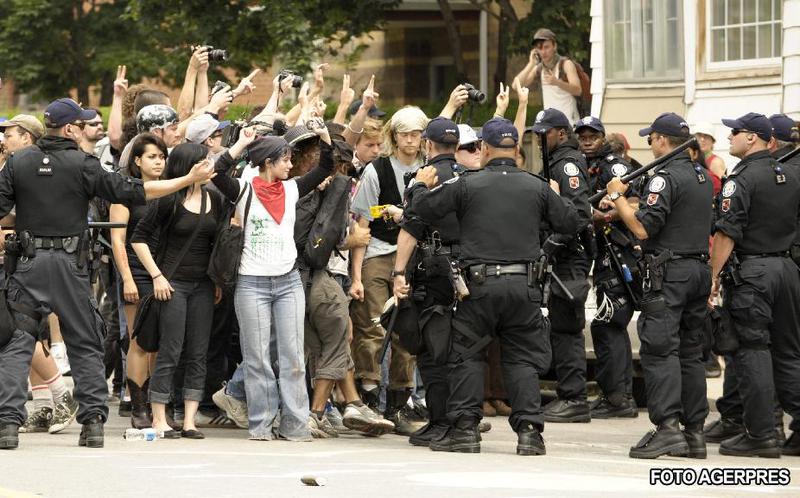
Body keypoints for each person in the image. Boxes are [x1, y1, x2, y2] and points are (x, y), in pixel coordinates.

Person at [0, 98, 215, 450]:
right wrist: (188, 179)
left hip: (29, 263)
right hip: (70, 264)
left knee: (17, 343)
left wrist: (26, 218)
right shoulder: (83, 164)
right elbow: (134, 190)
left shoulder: (19, 162)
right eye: (81, 124)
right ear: (69, 129)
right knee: (84, 341)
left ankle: (7, 425)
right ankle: (93, 425)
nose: (86, 129)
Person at [408, 117, 580, 455]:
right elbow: (571, 222)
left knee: (468, 355)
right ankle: (530, 433)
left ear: (484, 148)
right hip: (523, 285)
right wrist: (557, 197)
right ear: (516, 149)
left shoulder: (467, 184)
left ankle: (466, 431)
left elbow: (422, 210)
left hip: (479, 286)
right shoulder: (536, 185)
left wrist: (418, 184)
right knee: (522, 360)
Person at [209, 120, 333, 441]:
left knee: (293, 358)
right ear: (268, 162)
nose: (291, 165)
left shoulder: (291, 189)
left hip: (288, 282)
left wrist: (325, 139)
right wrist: (239, 145)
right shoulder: (243, 188)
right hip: (252, 284)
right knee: (257, 358)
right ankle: (261, 425)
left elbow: (325, 168)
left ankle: (294, 425)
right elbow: (216, 171)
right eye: (286, 160)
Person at [606, 112, 712, 459]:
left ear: (663, 140)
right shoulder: (700, 175)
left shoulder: (663, 178)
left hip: (670, 274)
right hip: (697, 269)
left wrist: (618, 196)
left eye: (650, 138)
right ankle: (694, 432)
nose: (649, 144)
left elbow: (641, 229)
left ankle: (667, 428)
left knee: (660, 350)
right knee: (691, 354)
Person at [709, 113, 800, 458]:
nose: (730, 137)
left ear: (753, 138)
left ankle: (761, 434)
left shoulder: (740, 179)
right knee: (789, 354)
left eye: (735, 132)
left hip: (755, 273)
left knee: (753, 352)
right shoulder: (789, 174)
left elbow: (728, 232)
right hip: (787, 270)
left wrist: (714, 278)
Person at [349, 106, 428, 434]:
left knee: (407, 331)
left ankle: (399, 400)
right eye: (405, 134)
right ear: (393, 137)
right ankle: (368, 395)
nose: (411, 140)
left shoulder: (427, 169)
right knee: (372, 326)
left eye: (416, 134)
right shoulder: (376, 170)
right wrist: (357, 274)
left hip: (412, 258)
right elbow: (362, 224)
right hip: (378, 255)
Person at [391, 117, 465, 447]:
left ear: (428, 145)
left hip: (434, 274)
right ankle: (464, 421)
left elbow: (411, 230)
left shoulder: (422, 180)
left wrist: (398, 274)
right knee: (463, 352)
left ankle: (440, 422)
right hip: (469, 274)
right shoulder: (470, 177)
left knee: (434, 352)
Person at [530, 108, 593, 423]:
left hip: (569, 256)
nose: (540, 137)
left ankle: (574, 398)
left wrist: (551, 245)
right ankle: (569, 393)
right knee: (560, 326)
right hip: (560, 256)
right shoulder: (554, 161)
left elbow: (579, 214)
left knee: (568, 329)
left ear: (560, 133)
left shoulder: (566, 163)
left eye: (545, 131)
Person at [576, 116, 639, 418]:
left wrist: (606, 212)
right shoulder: (584, 165)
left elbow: (635, 204)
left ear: (602, 137)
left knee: (607, 324)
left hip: (617, 254)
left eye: (592, 135)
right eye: (582, 135)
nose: (587, 140)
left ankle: (616, 398)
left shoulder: (614, 166)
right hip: (600, 254)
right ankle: (617, 394)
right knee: (607, 325)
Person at [109, 133, 168, 429]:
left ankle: (157, 404)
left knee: (159, 343)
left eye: (161, 157)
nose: (158, 162)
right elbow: (118, 241)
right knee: (139, 341)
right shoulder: (124, 194)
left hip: (165, 272)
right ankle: (139, 406)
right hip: (136, 273)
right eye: (152, 157)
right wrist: (128, 280)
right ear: (137, 161)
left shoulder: (170, 191)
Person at [515, 28, 582, 125]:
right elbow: (516, 85)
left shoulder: (566, 64)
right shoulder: (540, 68)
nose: (543, 52)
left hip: (569, 123)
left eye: (546, 47)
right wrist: (530, 64)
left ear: (554, 46)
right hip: (550, 125)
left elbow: (578, 90)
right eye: (540, 48)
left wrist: (557, 82)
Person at [692, 122, 725, 195]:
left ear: (712, 141)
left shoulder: (716, 162)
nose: (702, 139)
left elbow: (722, 189)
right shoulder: (691, 158)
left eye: (706, 136)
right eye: (699, 135)